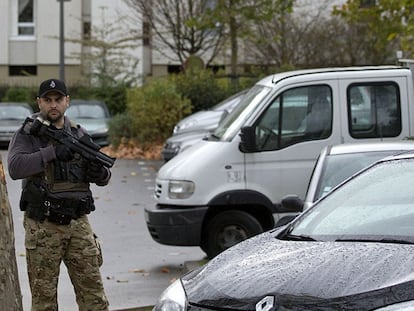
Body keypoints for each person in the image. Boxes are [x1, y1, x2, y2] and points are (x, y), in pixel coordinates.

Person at [8, 78, 110, 310]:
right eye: (47, 100)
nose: (53, 105)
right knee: (44, 301)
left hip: (79, 224)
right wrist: (51, 152)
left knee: (94, 297)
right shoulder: (28, 133)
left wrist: (100, 174)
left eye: (58, 100)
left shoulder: (79, 133)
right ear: (39, 102)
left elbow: (103, 176)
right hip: (43, 224)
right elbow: (15, 167)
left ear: (67, 102)